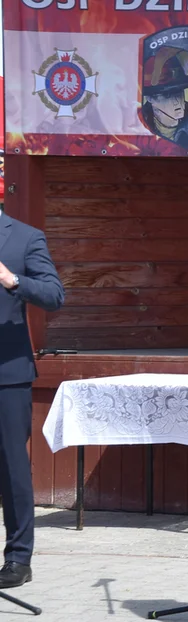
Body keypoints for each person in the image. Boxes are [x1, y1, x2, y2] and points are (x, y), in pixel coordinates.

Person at [0, 213, 65, 589]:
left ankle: (18, 558)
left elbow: (54, 294)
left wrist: (12, 280)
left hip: (7, 374)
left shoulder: (25, 237)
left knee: (11, 467)